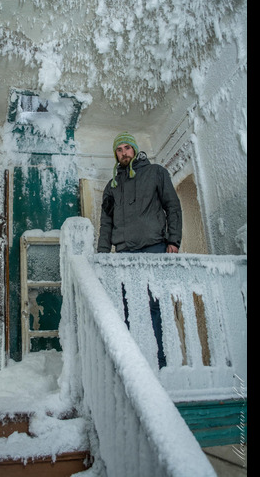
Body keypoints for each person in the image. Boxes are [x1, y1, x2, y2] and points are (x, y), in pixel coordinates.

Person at [97, 132, 182, 368]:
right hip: (124, 254)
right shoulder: (112, 186)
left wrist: (173, 240)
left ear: (135, 149)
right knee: (126, 307)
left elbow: (172, 206)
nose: (124, 153)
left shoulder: (156, 172)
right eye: (119, 150)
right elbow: (106, 224)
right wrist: (102, 256)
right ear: (115, 155)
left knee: (156, 305)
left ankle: (162, 363)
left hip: (154, 248)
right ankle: (134, 364)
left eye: (127, 148)